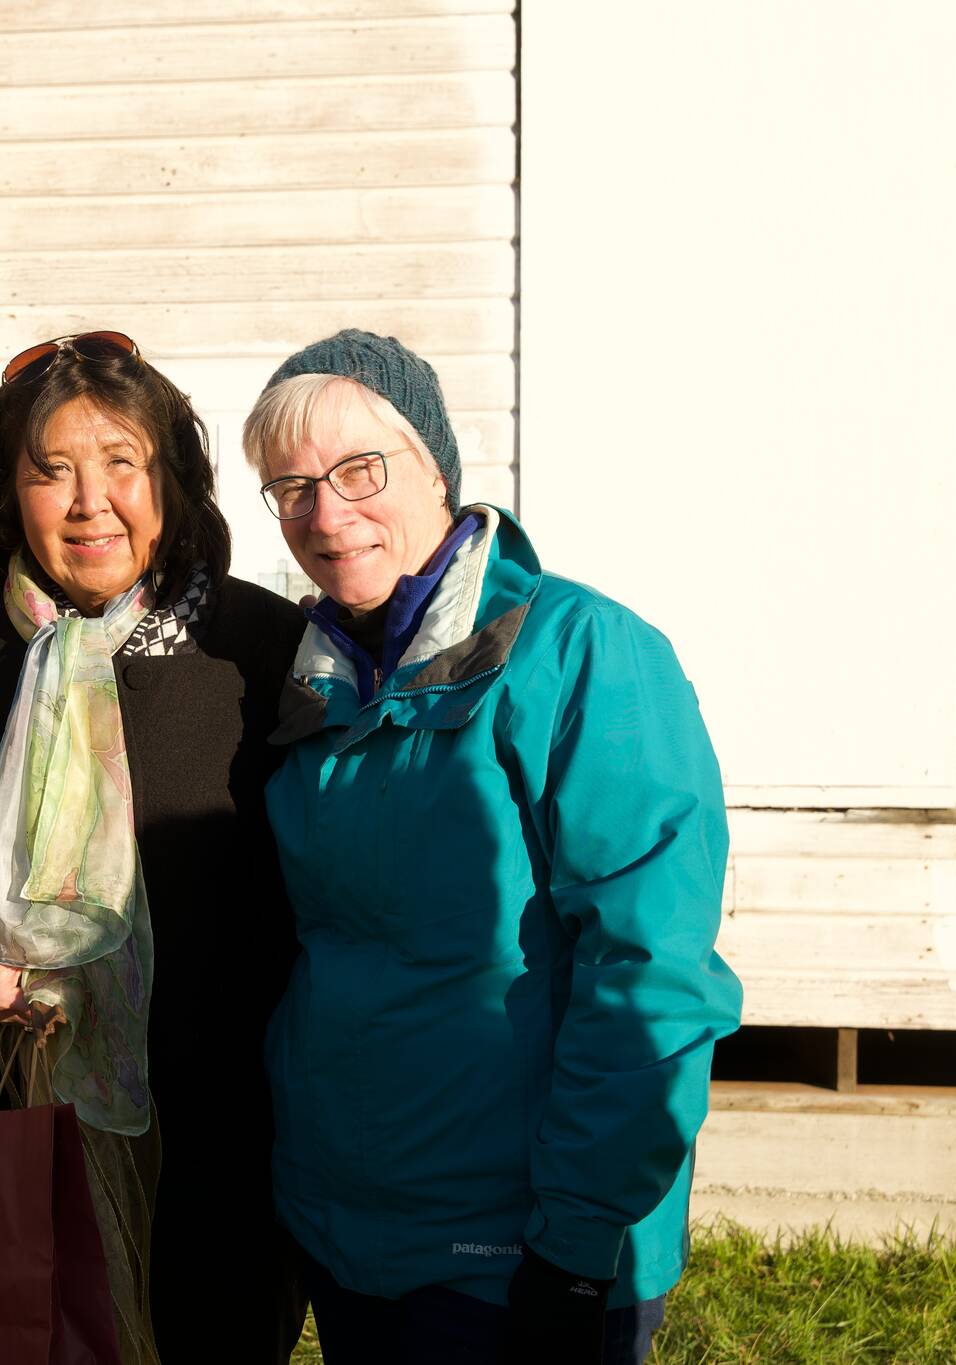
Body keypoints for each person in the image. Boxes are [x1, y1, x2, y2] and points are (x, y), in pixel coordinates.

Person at [240, 329, 742, 1364]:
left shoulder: (580, 654)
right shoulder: (312, 677)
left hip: (517, 1247)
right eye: (289, 488)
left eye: (356, 472)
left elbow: (648, 971)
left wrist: (575, 1241)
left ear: (434, 465)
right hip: (349, 1231)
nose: (325, 517)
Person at [0, 332, 308, 1361]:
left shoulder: (258, 653)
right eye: (51, 471)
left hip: (222, 1145)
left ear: (170, 476)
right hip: (20, 1121)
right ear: (6, 491)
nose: (89, 503)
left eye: (120, 462)